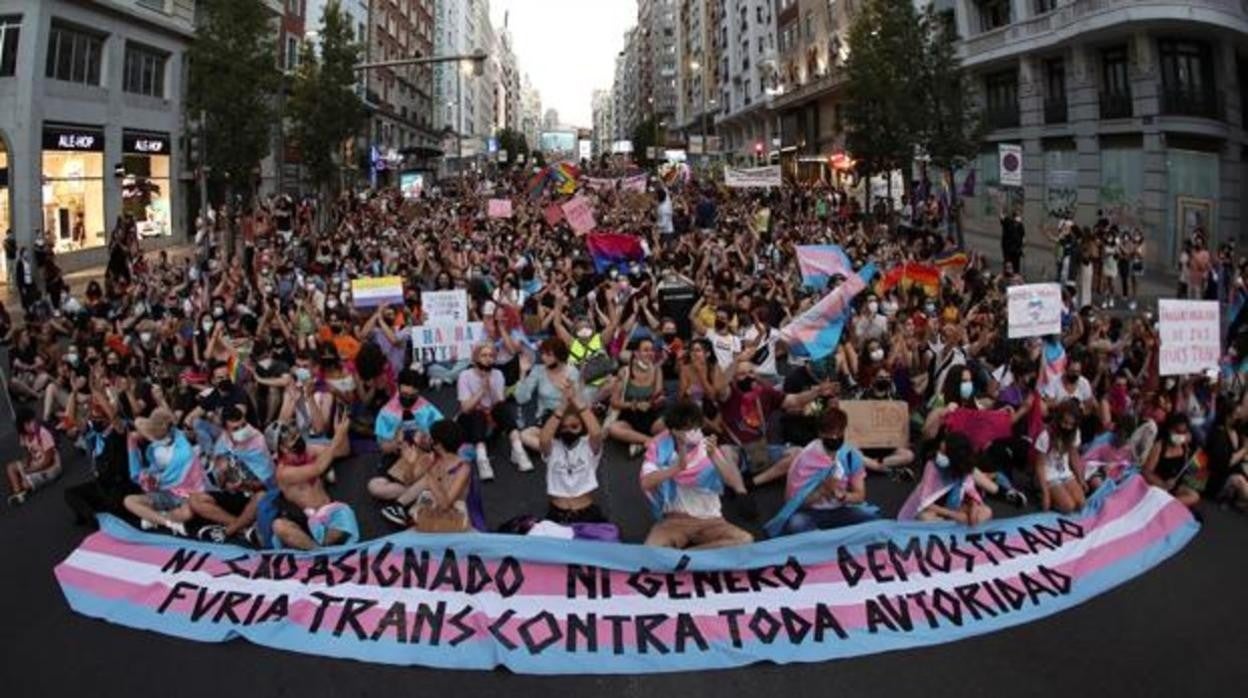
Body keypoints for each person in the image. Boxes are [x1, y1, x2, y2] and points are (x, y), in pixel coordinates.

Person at [640, 400, 751, 549]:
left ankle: (690, 556)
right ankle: (694, 560)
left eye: (697, 427)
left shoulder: (707, 447)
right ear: (674, 430)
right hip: (674, 521)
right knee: (651, 550)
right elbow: (646, 482)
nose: (694, 432)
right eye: (688, 428)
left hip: (711, 522)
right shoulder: (658, 448)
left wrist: (714, 457)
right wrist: (677, 468)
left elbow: (731, 481)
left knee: (745, 541)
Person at [764, 407, 881, 536]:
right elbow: (794, 502)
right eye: (830, 433)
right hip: (811, 513)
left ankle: (823, 540)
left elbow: (860, 496)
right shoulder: (805, 459)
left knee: (872, 519)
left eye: (839, 432)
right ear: (820, 433)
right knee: (796, 524)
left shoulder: (850, 455)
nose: (835, 437)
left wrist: (841, 496)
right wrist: (822, 490)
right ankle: (827, 540)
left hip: (840, 509)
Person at [269, 413, 359, 549]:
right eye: (293, 438)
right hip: (303, 519)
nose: (299, 438)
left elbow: (343, 451)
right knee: (278, 526)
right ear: (282, 448)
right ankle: (316, 551)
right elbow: (317, 468)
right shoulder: (283, 472)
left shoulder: (308, 450)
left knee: (345, 517)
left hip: (327, 511)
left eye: (297, 434)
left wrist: (341, 432)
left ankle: (318, 544)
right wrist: (336, 438)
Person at [189, 405, 275, 543]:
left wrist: (245, 484)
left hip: (254, 493)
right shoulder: (223, 441)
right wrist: (225, 481)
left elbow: (267, 482)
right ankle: (243, 528)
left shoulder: (257, 441)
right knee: (195, 500)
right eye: (235, 429)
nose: (242, 430)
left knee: (262, 497)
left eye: (243, 425)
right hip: (235, 493)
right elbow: (219, 479)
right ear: (225, 430)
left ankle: (227, 531)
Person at [369, 368, 444, 524]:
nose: (408, 399)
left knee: (437, 469)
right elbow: (383, 447)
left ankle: (413, 495)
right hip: (396, 457)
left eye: (412, 396)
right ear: (398, 387)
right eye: (404, 395)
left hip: (423, 456)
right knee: (374, 487)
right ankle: (423, 492)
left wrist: (426, 441)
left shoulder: (427, 408)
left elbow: (441, 438)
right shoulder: (387, 412)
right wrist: (395, 443)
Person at [123, 408, 207, 535]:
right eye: (151, 431)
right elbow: (139, 424)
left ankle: (154, 517)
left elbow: (168, 476)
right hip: (164, 492)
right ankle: (168, 522)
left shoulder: (182, 448)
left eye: (154, 431)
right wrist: (133, 441)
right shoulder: (154, 445)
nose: (151, 435)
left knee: (188, 514)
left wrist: (155, 479)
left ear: (168, 429)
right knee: (129, 501)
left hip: (186, 493)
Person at [456, 343, 531, 481]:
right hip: (471, 419)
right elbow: (465, 408)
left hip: (491, 418)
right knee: (478, 414)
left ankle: (518, 449)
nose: (488, 359)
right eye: (484, 355)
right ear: (476, 358)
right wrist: (481, 391)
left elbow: (499, 402)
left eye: (491, 356)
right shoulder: (465, 375)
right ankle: (482, 459)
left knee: (504, 408)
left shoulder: (497, 374)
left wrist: (491, 388)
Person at [540, 381, 607, 523]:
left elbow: (596, 432)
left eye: (574, 426)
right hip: (556, 513)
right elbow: (544, 438)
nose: (568, 430)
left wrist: (577, 401)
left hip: (587, 513)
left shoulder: (588, 446)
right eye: (563, 427)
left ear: (582, 427)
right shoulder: (553, 447)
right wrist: (562, 407)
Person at [898, 432, 991, 524]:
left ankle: (956, 527)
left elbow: (971, 492)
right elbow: (925, 502)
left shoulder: (965, 468)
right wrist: (953, 515)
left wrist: (973, 508)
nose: (939, 455)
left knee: (986, 512)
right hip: (936, 509)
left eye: (943, 452)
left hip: (955, 506)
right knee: (927, 518)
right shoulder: (932, 467)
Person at [606, 337, 666, 455]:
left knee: (674, 424)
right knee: (613, 429)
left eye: (652, 350)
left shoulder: (657, 370)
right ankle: (649, 441)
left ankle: (637, 441)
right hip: (629, 416)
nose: (650, 353)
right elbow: (614, 401)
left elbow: (657, 394)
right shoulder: (625, 372)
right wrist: (634, 405)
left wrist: (658, 401)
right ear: (636, 353)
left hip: (650, 415)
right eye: (646, 350)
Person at [1032, 400, 1087, 514]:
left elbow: (1074, 456)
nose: (1066, 427)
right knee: (1069, 507)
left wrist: (1081, 479)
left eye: (1070, 424)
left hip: (1064, 472)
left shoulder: (1075, 433)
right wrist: (1045, 493)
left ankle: (1058, 495)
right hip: (1048, 476)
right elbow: (1039, 466)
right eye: (1064, 422)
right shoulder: (1046, 435)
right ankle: (1043, 494)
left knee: (1081, 503)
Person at [1142, 412, 1201, 509]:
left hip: (1174, 487)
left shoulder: (1185, 447)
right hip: (1158, 486)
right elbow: (1146, 472)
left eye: (1183, 432)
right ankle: (1167, 506)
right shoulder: (1160, 446)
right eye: (1177, 431)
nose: (1180, 435)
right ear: (1170, 429)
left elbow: (1184, 470)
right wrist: (1162, 484)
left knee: (1194, 496)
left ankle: (1166, 505)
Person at [6, 409, 63, 506]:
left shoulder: (43, 433)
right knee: (10, 467)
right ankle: (19, 493)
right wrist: (25, 463)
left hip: (51, 467)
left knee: (24, 483)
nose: (32, 424)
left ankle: (22, 486)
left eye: (32, 421)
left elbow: (48, 461)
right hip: (36, 463)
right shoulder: (23, 436)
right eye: (28, 423)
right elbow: (28, 453)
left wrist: (30, 470)